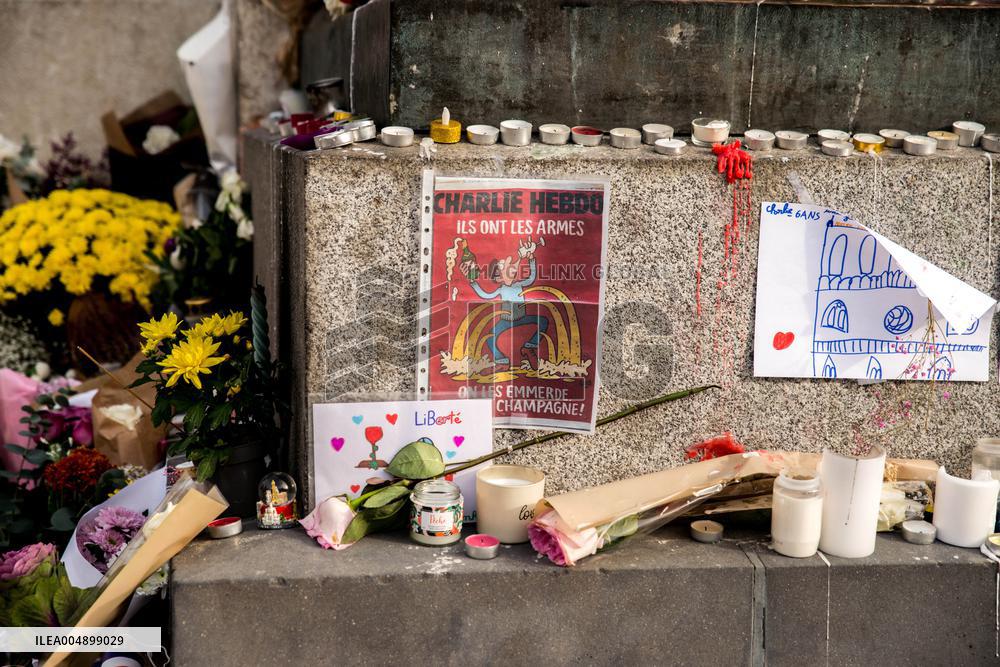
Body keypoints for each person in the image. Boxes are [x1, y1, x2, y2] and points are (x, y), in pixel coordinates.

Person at [469, 238, 548, 369]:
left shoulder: (519, 284)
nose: (513, 269)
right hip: (505, 321)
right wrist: (473, 283)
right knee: (490, 337)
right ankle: (502, 361)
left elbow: (531, 278)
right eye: (507, 269)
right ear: (499, 278)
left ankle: (530, 346)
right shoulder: (502, 289)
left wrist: (531, 260)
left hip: (522, 317)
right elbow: (486, 296)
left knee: (543, 321)